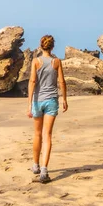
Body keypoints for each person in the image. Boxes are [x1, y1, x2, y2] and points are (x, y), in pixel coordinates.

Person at [27, 34, 68, 183]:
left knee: (37, 134)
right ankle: (44, 170)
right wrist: (64, 99)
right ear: (52, 46)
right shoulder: (56, 62)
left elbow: (32, 81)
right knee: (47, 135)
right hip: (51, 100)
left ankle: (35, 165)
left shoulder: (36, 61)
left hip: (38, 101)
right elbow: (62, 82)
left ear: (41, 45)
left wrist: (29, 104)